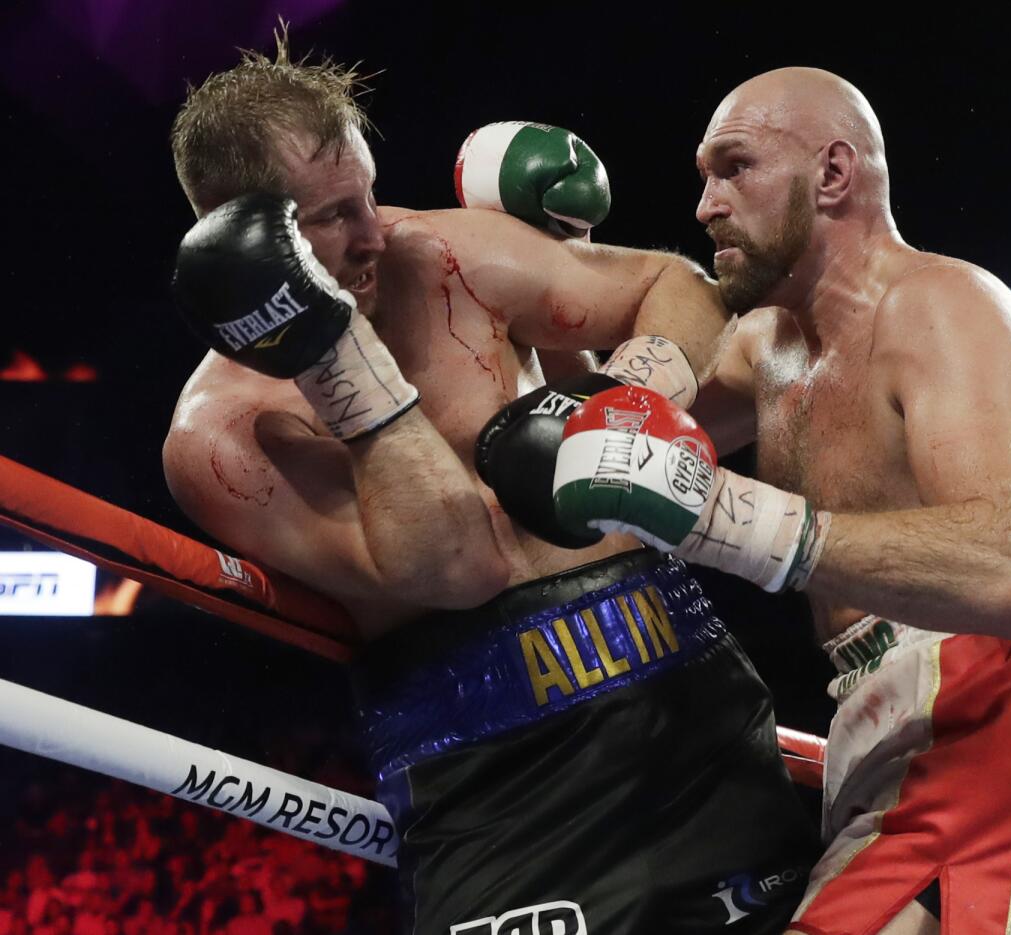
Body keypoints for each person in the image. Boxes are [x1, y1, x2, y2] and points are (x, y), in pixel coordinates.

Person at [162, 37, 817, 935]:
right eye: (331, 215)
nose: (373, 230)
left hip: (692, 702)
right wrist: (334, 356)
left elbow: (679, 288)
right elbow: (456, 563)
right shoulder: (226, 437)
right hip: (501, 784)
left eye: (366, 193)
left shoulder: (437, 255)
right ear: (241, 238)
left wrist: (625, 401)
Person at [550, 67, 1011, 935]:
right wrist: (545, 264)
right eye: (703, 177)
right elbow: (607, 455)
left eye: (735, 167)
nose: (706, 204)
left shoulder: (944, 306)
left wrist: (723, 517)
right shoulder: (763, 347)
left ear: (832, 174)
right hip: (886, 713)